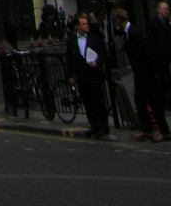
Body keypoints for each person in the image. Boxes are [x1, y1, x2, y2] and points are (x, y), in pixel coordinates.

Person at [114, 7, 169, 141]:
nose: (115, 24)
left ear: (119, 20)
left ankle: (165, 131)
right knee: (139, 99)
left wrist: (153, 71)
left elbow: (147, 52)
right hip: (139, 72)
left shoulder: (134, 32)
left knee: (153, 102)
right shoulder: (128, 32)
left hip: (145, 72)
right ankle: (146, 129)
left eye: (115, 21)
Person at [66, 10, 109, 139]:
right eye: (83, 24)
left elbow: (103, 54)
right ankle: (94, 125)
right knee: (88, 103)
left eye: (86, 23)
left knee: (99, 102)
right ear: (77, 26)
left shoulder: (94, 38)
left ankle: (103, 126)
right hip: (82, 76)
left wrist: (97, 62)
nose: (86, 26)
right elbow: (69, 59)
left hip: (94, 75)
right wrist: (70, 75)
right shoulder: (72, 40)